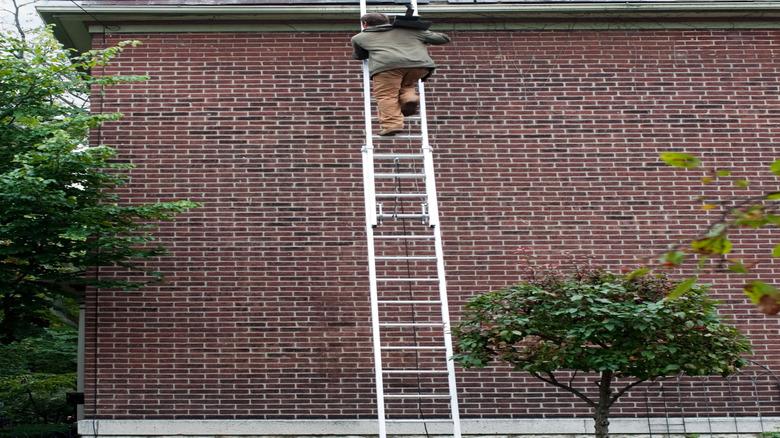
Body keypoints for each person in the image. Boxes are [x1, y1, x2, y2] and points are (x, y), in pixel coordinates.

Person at [351, 13, 450, 136]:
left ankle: (392, 125)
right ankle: (410, 98)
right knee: (406, 84)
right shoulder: (409, 30)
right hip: (419, 66)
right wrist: (419, 30)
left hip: (387, 68)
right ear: (387, 21)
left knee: (387, 96)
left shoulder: (359, 38)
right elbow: (443, 39)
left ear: (364, 24)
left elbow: (360, 56)